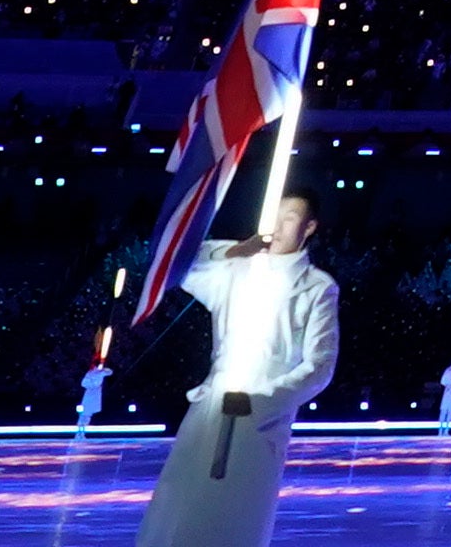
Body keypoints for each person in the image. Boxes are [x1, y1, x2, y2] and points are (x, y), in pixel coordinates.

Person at [139, 197, 339, 547]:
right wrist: (235, 252)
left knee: (239, 514)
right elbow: (179, 261)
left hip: (259, 420)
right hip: (211, 408)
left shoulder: (317, 287)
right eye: (273, 216)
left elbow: (319, 366)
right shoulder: (235, 271)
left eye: (289, 218)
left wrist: (260, 401)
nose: (278, 226)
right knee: (181, 506)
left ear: (309, 228)